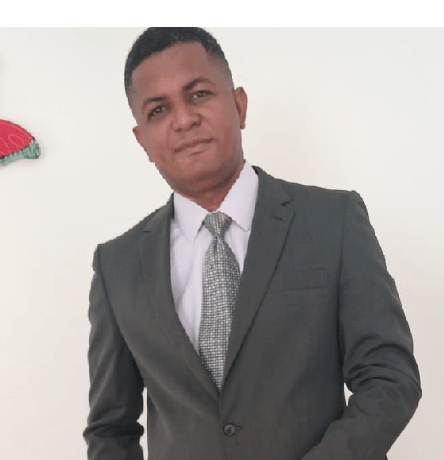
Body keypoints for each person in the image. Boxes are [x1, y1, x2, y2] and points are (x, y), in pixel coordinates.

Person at [83, 27, 421, 460]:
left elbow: (389, 378)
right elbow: (110, 429)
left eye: (199, 94)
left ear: (239, 105)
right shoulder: (117, 265)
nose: (183, 119)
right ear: (142, 140)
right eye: (158, 110)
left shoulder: (333, 220)